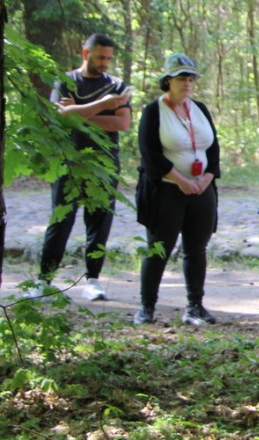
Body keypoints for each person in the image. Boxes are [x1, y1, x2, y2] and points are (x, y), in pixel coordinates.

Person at [28, 33, 132, 301]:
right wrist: (103, 106)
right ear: (86, 54)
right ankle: (45, 280)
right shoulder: (66, 82)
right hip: (69, 163)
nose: (105, 63)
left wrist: (79, 112)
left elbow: (122, 123)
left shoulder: (117, 85)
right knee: (61, 220)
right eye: (100, 57)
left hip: (105, 163)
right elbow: (60, 117)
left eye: (108, 58)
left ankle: (93, 281)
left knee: (99, 221)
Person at [134, 54, 221, 326]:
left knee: (197, 248)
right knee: (159, 248)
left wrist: (207, 178)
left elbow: (213, 149)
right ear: (167, 81)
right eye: (182, 78)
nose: (187, 83)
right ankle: (147, 307)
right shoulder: (154, 111)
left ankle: (195, 306)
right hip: (166, 190)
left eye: (191, 78)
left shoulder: (200, 109)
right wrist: (180, 180)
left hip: (201, 190)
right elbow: (149, 154)